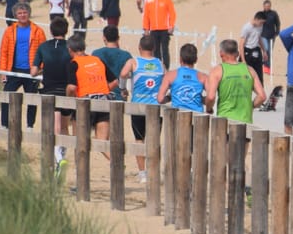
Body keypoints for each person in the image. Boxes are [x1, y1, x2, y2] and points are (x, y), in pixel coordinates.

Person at [120, 34, 166, 182]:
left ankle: (142, 173)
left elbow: (123, 73)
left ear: (139, 48)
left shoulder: (134, 62)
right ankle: (153, 171)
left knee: (139, 139)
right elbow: (166, 81)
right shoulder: (160, 63)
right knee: (154, 140)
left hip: (138, 105)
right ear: (153, 48)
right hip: (155, 107)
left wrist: (123, 89)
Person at [31, 17, 74, 171]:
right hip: (67, 90)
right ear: (66, 31)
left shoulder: (43, 47)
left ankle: (58, 159)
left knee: (54, 126)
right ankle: (62, 155)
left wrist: (45, 68)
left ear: (51, 30)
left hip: (49, 89)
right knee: (64, 126)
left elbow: (33, 72)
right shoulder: (71, 47)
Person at [66, 33, 118, 152]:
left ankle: (80, 169)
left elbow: (72, 87)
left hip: (85, 103)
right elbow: (115, 81)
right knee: (102, 142)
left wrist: (68, 100)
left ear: (70, 49)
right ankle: (116, 164)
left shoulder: (73, 63)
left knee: (79, 141)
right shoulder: (97, 60)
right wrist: (102, 90)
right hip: (104, 101)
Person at [0, 1, 45, 129]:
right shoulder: (9, 31)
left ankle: (30, 125)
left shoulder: (38, 31)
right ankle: (4, 124)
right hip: (13, 69)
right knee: (6, 96)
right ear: (15, 15)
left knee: (32, 99)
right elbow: (4, 52)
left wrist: (40, 70)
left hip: (31, 71)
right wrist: (3, 72)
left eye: (25, 12)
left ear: (29, 14)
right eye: (20, 13)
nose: (23, 15)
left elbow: (43, 52)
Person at [205, 39, 266, 123]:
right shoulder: (249, 70)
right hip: (245, 121)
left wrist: (209, 109)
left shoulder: (217, 71)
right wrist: (251, 106)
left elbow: (211, 97)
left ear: (221, 53)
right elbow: (262, 96)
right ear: (237, 54)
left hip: (225, 121)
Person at [158, 43, 208, 113]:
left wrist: (169, 97)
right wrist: (201, 99)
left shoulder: (170, 75)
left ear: (180, 59)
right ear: (196, 60)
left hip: (177, 115)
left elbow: (160, 99)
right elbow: (211, 97)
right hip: (197, 117)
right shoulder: (203, 77)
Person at [92, 26, 133, 101]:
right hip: (119, 96)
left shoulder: (96, 54)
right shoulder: (126, 55)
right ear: (118, 38)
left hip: (100, 96)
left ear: (104, 38)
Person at [142, 0, 176, 69]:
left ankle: (166, 67)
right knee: (155, 50)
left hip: (164, 29)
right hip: (154, 29)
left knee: (165, 49)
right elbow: (146, 16)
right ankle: (158, 67)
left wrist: (171, 26)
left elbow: (172, 13)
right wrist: (146, 28)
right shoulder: (149, 1)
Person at [240, 10, 267, 84]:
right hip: (247, 52)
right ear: (256, 19)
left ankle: (261, 93)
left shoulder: (260, 26)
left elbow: (259, 38)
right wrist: (243, 60)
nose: (262, 24)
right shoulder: (246, 28)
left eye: (263, 23)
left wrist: (264, 51)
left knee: (259, 77)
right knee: (244, 77)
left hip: (256, 50)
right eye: (261, 22)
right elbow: (241, 44)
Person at [259, 0, 281, 74]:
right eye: (265, 6)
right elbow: (258, 24)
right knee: (266, 50)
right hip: (263, 35)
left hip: (272, 35)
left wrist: (277, 31)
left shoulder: (273, 14)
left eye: (268, 6)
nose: (267, 7)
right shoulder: (261, 14)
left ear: (270, 6)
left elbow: (277, 23)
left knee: (270, 52)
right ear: (263, 6)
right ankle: (265, 66)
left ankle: (268, 68)